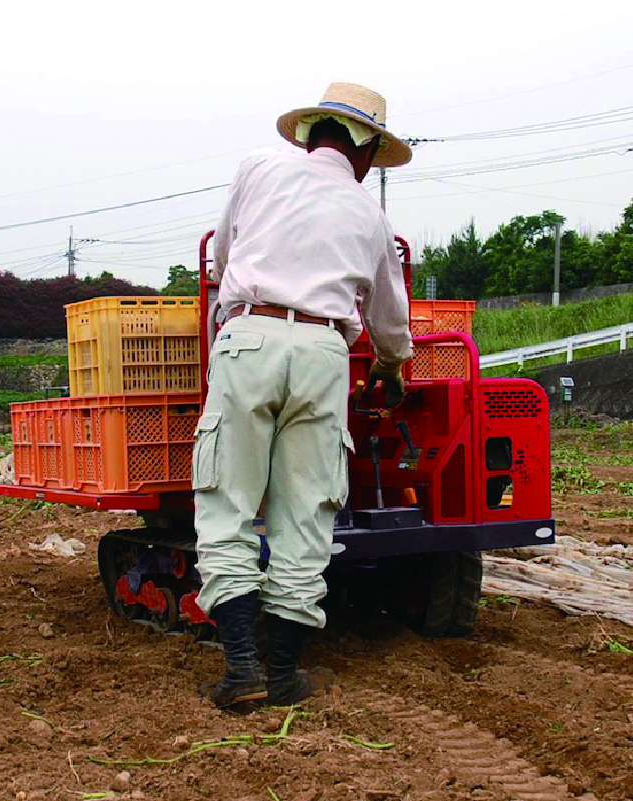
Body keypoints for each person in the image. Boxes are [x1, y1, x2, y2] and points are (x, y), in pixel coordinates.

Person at [192, 82, 414, 708]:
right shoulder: (372, 217)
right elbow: (390, 320)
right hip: (325, 353)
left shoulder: (259, 170)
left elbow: (225, 252)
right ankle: (284, 672)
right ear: (366, 155)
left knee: (227, 502)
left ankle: (242, 671)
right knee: (307, 513)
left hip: (250, 335)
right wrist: (393, 368)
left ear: (311, 132)